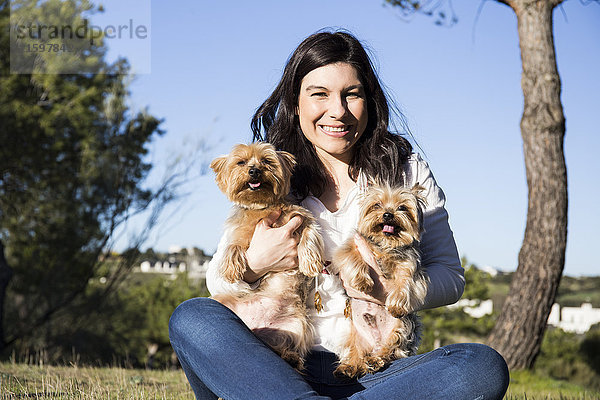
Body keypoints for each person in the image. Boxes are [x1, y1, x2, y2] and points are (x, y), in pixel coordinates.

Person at [169, 30, 509, 400]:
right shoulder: (275, 171)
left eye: (352, 94)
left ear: (370, 100)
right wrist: (255, 263)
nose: (338, 111)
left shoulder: (406, 170)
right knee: (192, 318)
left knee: (481, 365)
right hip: (276, 361)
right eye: (319, 94)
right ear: (295, 104)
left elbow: (450, 276)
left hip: (376, 366)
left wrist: (388, 291)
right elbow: (218, 281)